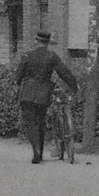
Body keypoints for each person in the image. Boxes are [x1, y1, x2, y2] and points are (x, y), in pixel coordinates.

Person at [15, 31, 77, 164]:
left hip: (27, 94)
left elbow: (18, 77)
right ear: (48, 43)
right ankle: (40, 152)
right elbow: (64, 73)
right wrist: (74, 87)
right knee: (40, 121)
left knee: (31, 123)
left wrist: (19, 83)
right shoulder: (52, 56)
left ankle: (37, 152)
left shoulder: (27, 55)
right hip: (43, 94)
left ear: (36, 41)